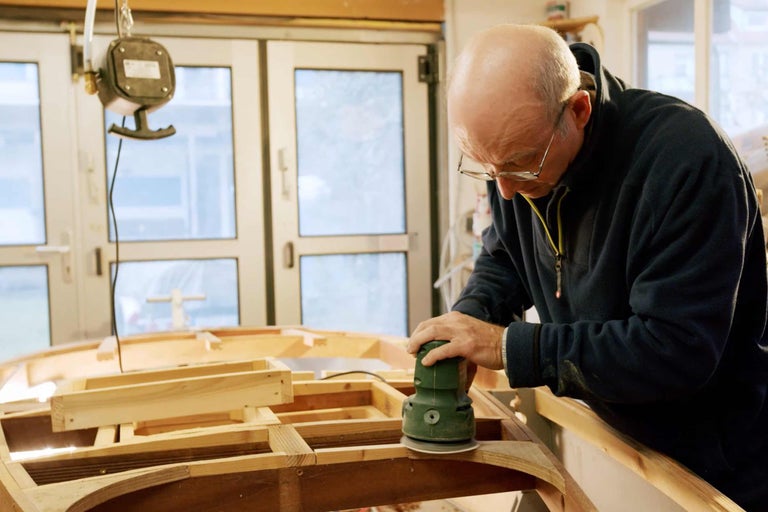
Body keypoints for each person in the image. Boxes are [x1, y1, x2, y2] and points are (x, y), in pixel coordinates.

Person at [407, 23, 768, 510]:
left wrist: (507, 346)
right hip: (615, 435)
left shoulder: (685, 161)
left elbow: (673, 351)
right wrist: (469, 320)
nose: (506, 190)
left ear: (578, 110)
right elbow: (504, 257)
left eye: (520, 166)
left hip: (715, 464)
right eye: (486, 168)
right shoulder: (514, 146)